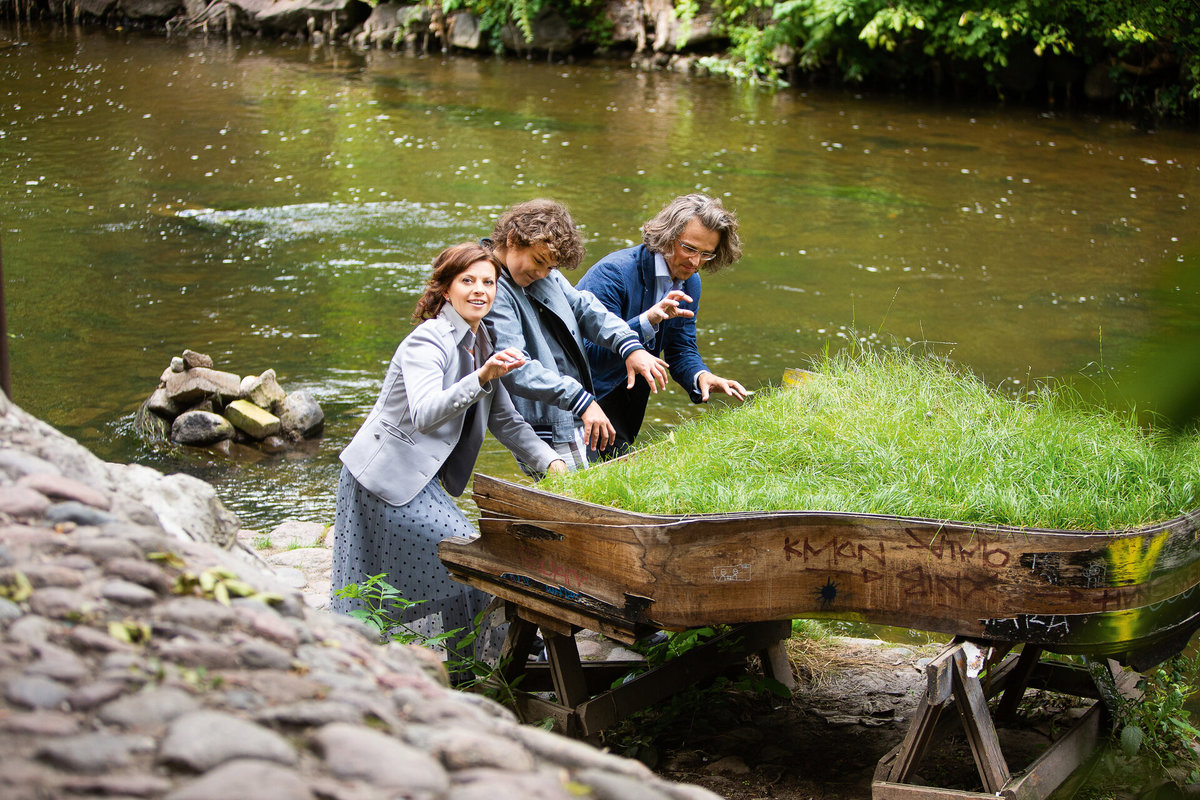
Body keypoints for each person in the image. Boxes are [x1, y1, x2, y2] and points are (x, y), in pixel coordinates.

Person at [330, 242, 567, 669]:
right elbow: (423, 413)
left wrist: (551, 462)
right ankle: (482, 658)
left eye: (489, 282)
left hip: (422, 481)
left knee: (464, 569)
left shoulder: (481, 339)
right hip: (382, 481)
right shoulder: (427, 340)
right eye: (468, 281)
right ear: (446, 289)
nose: (480, 290)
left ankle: (472, 663)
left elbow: (507, 421)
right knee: (467, 558)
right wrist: (482, 376)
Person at [483, 199, 670, 470]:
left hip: (568, 412)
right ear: (512, 238)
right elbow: (514, 367)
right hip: (544, 423)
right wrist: (581, 401)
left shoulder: (544, 274)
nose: (541, 273)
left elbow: (585, 307)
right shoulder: (490, 287)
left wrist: (630, 346)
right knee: (581, 498)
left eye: (550, 267)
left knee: (591, 493)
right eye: (538, 261)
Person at [577, 193, 749, 458]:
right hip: (578, 401)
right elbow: (586, 355)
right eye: (689, 249)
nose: (695, 262)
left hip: (625, 407)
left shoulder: (691, 281)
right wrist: (647, 321)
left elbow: (681, 349)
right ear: (668, 236)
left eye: (706, 254)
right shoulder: (614, 273)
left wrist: (702, 376)